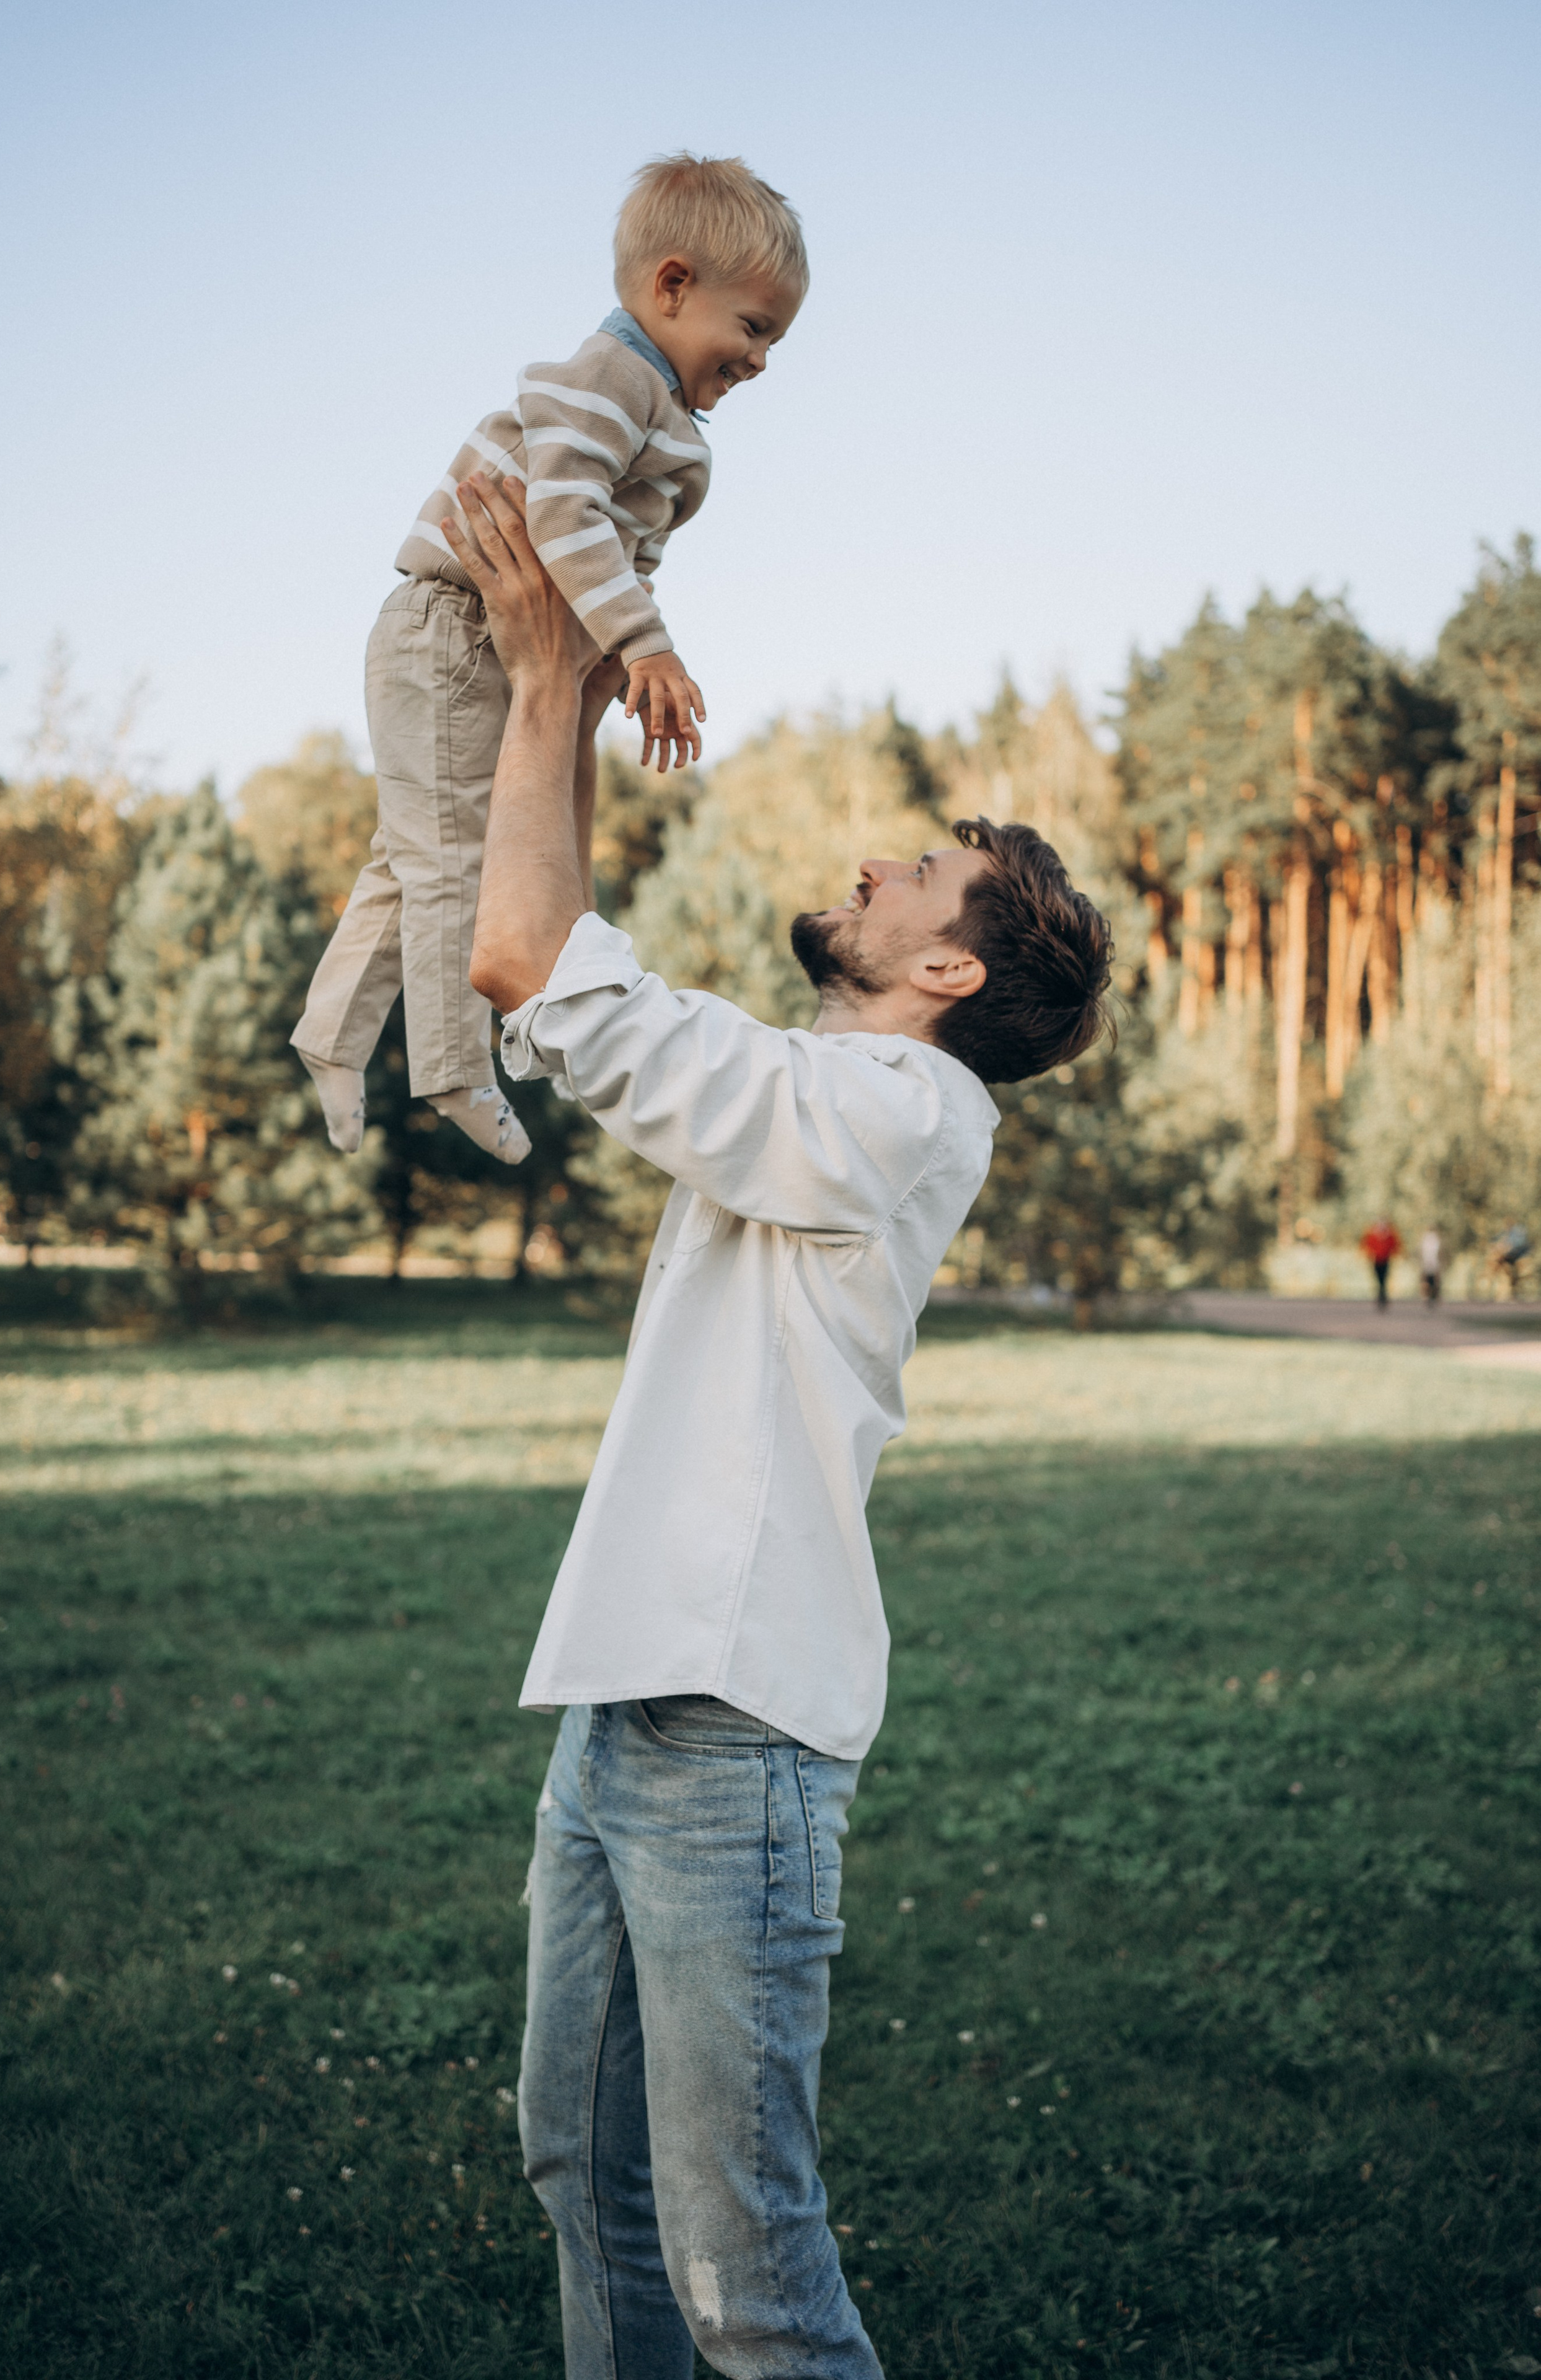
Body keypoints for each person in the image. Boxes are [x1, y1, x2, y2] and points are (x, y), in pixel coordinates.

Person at [440, 469, 1114, 2379]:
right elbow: (562, 961)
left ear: (947, 972)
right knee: (589, 2172)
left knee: (753, 2278)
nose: (876, 868)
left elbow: (531, 969)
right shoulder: (822, 1087)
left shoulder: (899, 1116)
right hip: (630, 1705)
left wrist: (543, 678)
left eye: (915, 878)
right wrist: (547, 684)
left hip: (732, 1743)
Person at [290, 154, 808, 1161]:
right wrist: (646, 644)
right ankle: (452, 1068)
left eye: (774, 340)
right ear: (672, 286)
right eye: (752, 329)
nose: (759, 361)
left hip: (470, 637)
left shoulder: (660, 406)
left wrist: (613, 660)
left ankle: (332, 1038)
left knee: (410, 860)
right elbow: (565, 512)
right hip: (454, 629)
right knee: (452, 863)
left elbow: (613, 547)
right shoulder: (614, 379)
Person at [1361, 1217, 1402, 1307]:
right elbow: (1368, 1245)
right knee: (1379, 1278)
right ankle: (1381, 1295)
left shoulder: (1389, 1235)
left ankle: (1382, 1295)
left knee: (1384, 1279)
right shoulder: (1374, 1235)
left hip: (1386, 1260)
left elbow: (1395, 1245)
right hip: (1377, 1260)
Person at [1420, 1225, 1442, 1304]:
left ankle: (1428, 1296)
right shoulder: (1435, 1238)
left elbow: (1423, 1251)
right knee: (1432, 1279)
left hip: (1429, 1261)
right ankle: (1433, 1296)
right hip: (1433, 1261)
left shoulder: (1426, 1238)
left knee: (1428, 1279)